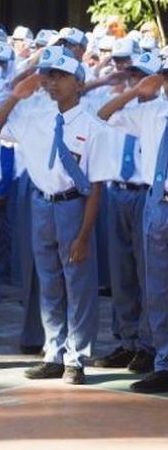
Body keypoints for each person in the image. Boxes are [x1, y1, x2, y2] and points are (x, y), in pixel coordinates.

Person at [0, 53, 108, 384]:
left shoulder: (92, 125)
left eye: (60, 76)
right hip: (41, 203)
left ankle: (77, 357)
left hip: (73, 205)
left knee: (78, 283)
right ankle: (53, 351)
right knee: (49, 282)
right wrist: (15, 96)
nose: (52, 82)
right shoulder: (35, 116)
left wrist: (84, 235)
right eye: (48, 76)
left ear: (79, 83)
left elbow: (96, 187)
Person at [96, 70, 168, 393]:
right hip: (158, 202)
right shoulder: (152, 112)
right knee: (157, 287)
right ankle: (164, 362)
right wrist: (135, 91)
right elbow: (103, 114)